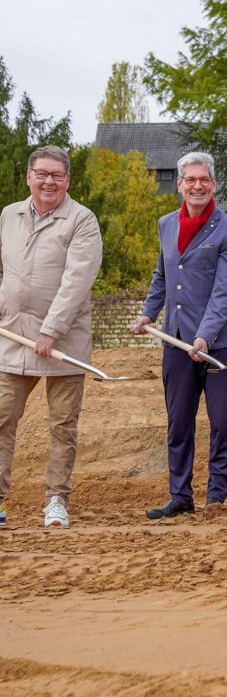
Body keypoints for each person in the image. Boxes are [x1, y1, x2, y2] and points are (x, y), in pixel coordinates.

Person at [131, 152, 227, 519]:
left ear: (213, 184)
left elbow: (225, 291)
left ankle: (216, 496)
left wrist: (205, 337)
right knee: (179, 420)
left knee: (222, 419)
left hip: (221, 342)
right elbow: (162, 275)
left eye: (204, 180)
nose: (197, 185)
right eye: (190, 180)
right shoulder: (166, 224)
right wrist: (149, 312)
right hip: (177, 340)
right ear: (180, 184)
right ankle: (180, 495)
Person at [0, 146, 103, 529]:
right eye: (42, 173)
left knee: (62, 425)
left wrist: (51, 329)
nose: (49, 181)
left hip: (63, 342)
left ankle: (56, 500)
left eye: (57, 175)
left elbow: (78, 281)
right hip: (12, 337)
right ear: (29, 176)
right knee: (1, 418)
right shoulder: (8, 215)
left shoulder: (82, 220)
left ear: (67, 181)